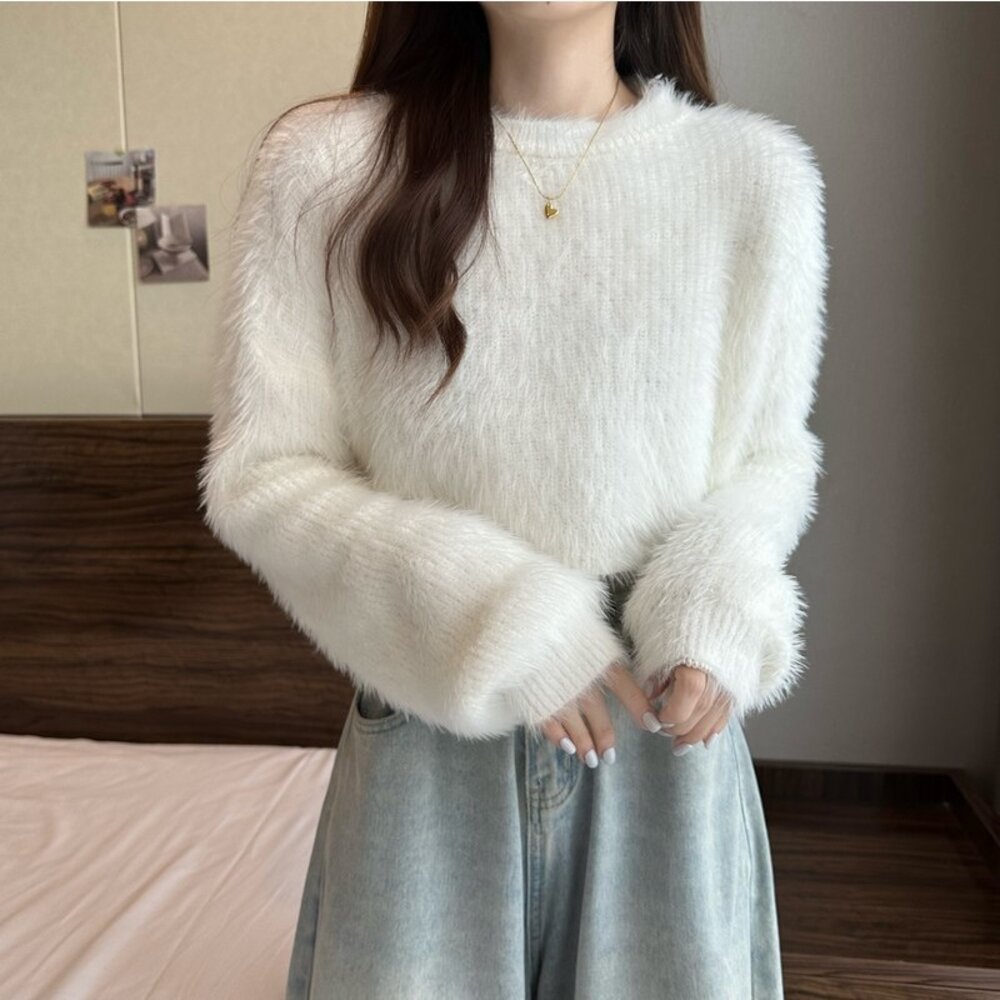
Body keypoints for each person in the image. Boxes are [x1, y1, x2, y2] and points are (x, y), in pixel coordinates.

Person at [198, 2, 829, 997]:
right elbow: (262, 474)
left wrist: (711, 604)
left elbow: (769, 457)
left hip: (659, 735)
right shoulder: (326, 168)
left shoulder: (751, 178)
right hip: (429, 737)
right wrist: (498, 619)